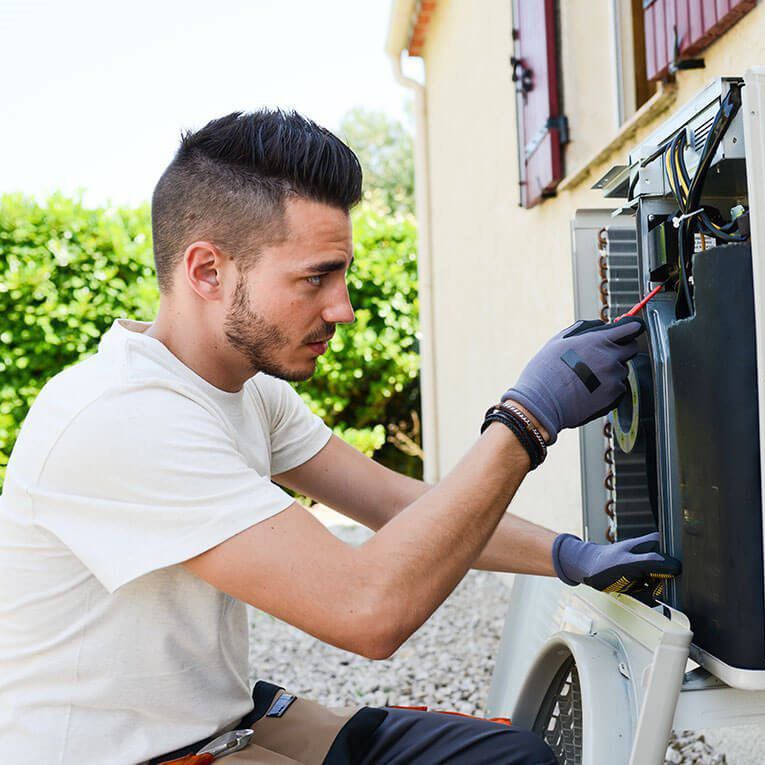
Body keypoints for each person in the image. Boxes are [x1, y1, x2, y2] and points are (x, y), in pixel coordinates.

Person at [0, 110, 680, 764]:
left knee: (508, 755)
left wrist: (568, 553)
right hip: (121, 752)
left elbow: (392, 501)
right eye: (314, 277)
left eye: (343, 273)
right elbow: (367, 609)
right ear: (207, 271)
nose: (344, 308)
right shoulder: (122, 415)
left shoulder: (249, 391)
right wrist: (525, 422)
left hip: (223, 722)